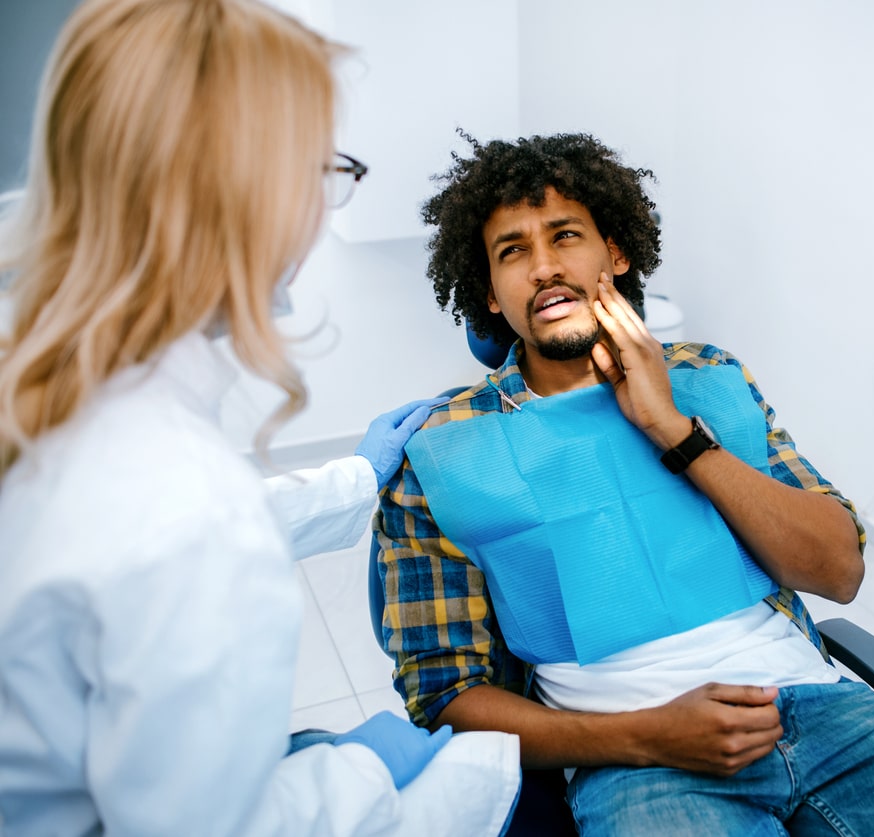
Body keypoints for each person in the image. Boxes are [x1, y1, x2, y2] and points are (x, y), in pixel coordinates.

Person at [374, 132, 874, 835]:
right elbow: (447, 694)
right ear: (490, 294)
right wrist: (647, 734)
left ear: (615, 254)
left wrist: (675, 430)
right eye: (513, 251)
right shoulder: (443, 452)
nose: (543, 268)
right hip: (638, 762)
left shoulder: (710, 377)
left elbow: (838, 569)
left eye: (565, 236)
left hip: (830, 715)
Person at [0, 2, 519, 834]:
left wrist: (354, 476)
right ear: (251, 195)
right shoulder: (186, 502)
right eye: (324, 170)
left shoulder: (44, 382)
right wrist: (377, 777)